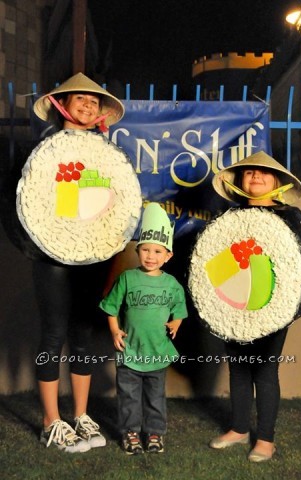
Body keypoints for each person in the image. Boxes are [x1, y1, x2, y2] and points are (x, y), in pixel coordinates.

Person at [204, 150, 301, 462]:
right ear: (240, 182)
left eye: (263, 172)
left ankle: (266, 439)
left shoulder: (291, 218)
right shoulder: (228, 220)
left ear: (277, 181)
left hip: (272, 308)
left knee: (264, 368)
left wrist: (289, 306)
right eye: (249, 173)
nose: (256, 177)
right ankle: (239, 427)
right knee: (238, 367)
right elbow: (211, 261)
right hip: (234, 304)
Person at [29, 73, 125, 452]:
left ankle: (81, 416)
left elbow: (116, 201)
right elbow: (29, 203)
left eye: (94, 101)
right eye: (80, 99)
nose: (87, 105)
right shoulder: (43, 149)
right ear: (61, 104)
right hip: (50, 254)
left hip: (92, 253)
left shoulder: (106, 155)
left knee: (83, 332)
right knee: (53, 334)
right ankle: (50, 421)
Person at [99, 202, 188, 455]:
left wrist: (176, 322)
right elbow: (110, 307)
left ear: (168, 255)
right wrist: (115, 331)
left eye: (158, 252)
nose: (151, 256)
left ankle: (155, 433)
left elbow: (180, 309)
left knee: (155, 397)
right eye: (146, 250)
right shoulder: (127, 279)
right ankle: (131, 433)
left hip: (156, 352)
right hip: (130, 351)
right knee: (128, 396)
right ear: (137, 250)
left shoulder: (171, 285)